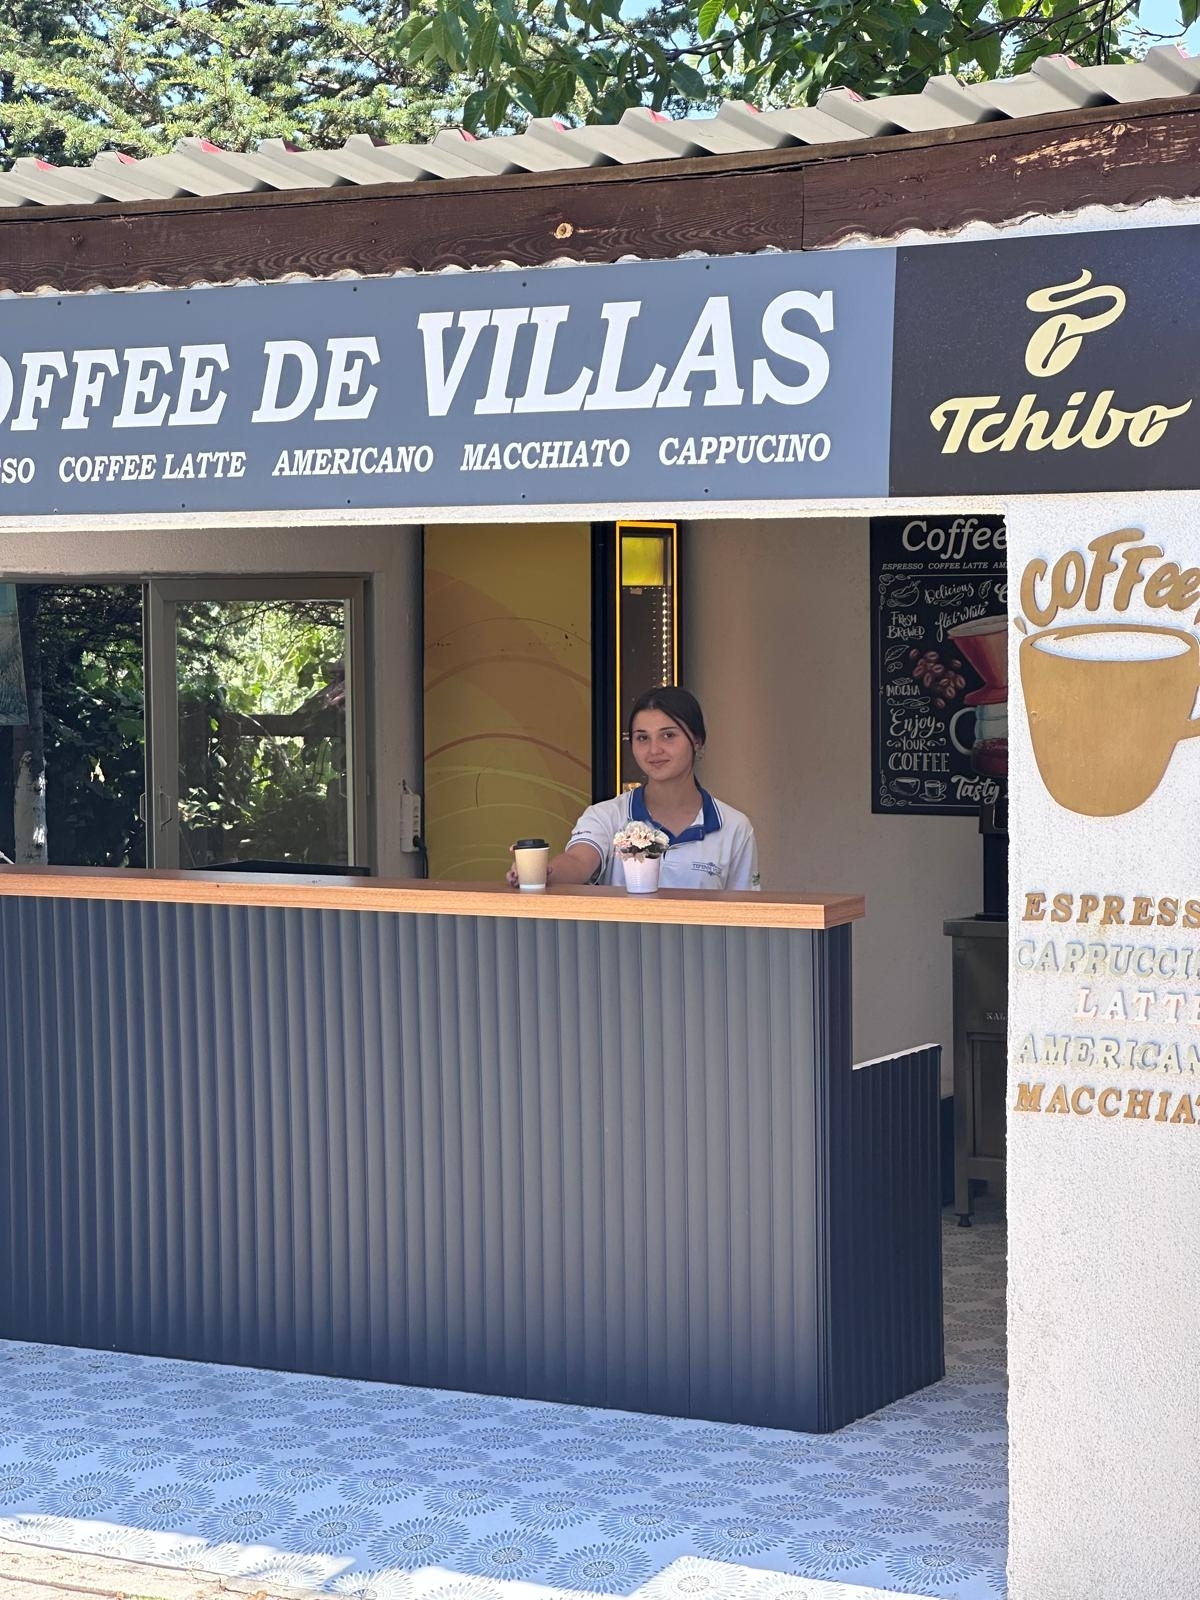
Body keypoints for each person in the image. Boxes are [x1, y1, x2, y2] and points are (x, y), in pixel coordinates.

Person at [509, 686, 759, 891]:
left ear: (697, 741)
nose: (654, 750)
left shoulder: (734, 827)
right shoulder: (606, 815)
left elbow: (745, 913)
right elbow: (578, 861)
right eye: (642, 738)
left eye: (668, 735)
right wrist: (543, 872)